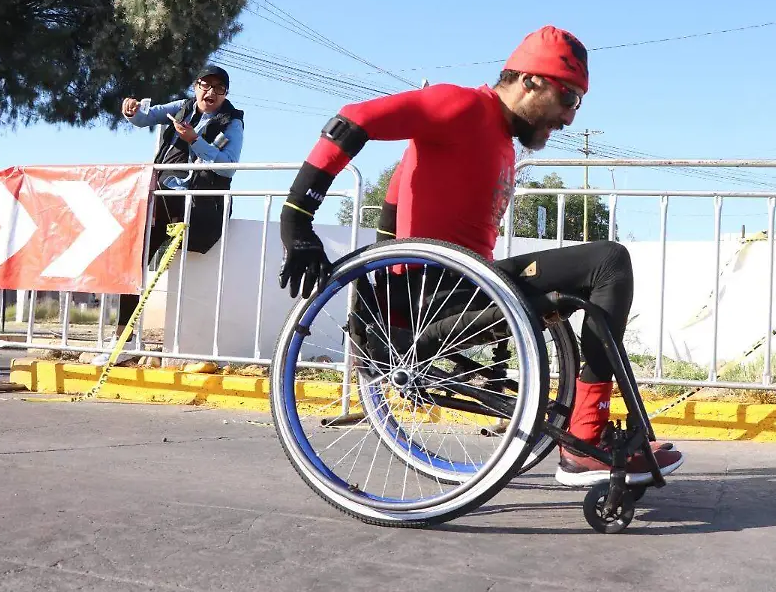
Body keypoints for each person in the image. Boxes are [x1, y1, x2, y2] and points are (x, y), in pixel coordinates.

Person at [276, 26, 682, 488]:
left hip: (472, 288)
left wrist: (388, 289)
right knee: (608, 261)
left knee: (595, 277)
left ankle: (591, 431)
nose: (569, 118)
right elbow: (354, 117)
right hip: (443, 294)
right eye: (568, 99)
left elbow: (397, 195)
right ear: (530, 81)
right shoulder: (462, 105)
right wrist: (296, 221)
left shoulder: (501, 140)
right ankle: (584, 438)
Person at [109, 65, 244, 354]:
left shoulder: (232, 122)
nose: (210, 93)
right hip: (160, 197)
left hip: (198, 205)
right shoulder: (182, 106)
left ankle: (194, 348)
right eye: (205, 85)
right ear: (196, 86)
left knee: (193, 271)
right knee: (135, 259)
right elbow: (146, 117)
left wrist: (195, 140)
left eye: (218, 88)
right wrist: (131, 110)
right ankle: (123, 340)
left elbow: (228, 166)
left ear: (226, 93)